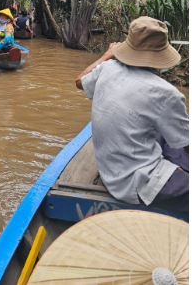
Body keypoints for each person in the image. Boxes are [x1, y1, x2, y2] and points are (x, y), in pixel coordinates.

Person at [75, 16, 189, 212]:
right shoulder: (167, 94)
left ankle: (178, 169)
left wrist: (107, 55)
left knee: (171, 132)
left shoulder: (108, 68)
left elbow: (80, 81)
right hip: (137, 184)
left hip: (109, 172)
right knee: (179, 137)